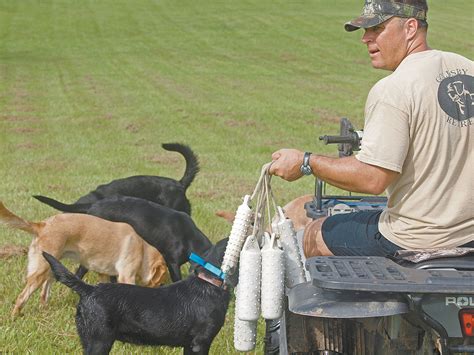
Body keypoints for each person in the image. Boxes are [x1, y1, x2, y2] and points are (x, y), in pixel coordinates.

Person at [269, 0, 473, 257]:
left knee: (314, 234)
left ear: (410, 28)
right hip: (470, 235)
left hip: (415, 238)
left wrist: (306, 161)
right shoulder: (468, 68)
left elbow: (373, 178)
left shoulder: (394, 88)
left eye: (377, 29)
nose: (366, 39)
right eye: (365, 31)